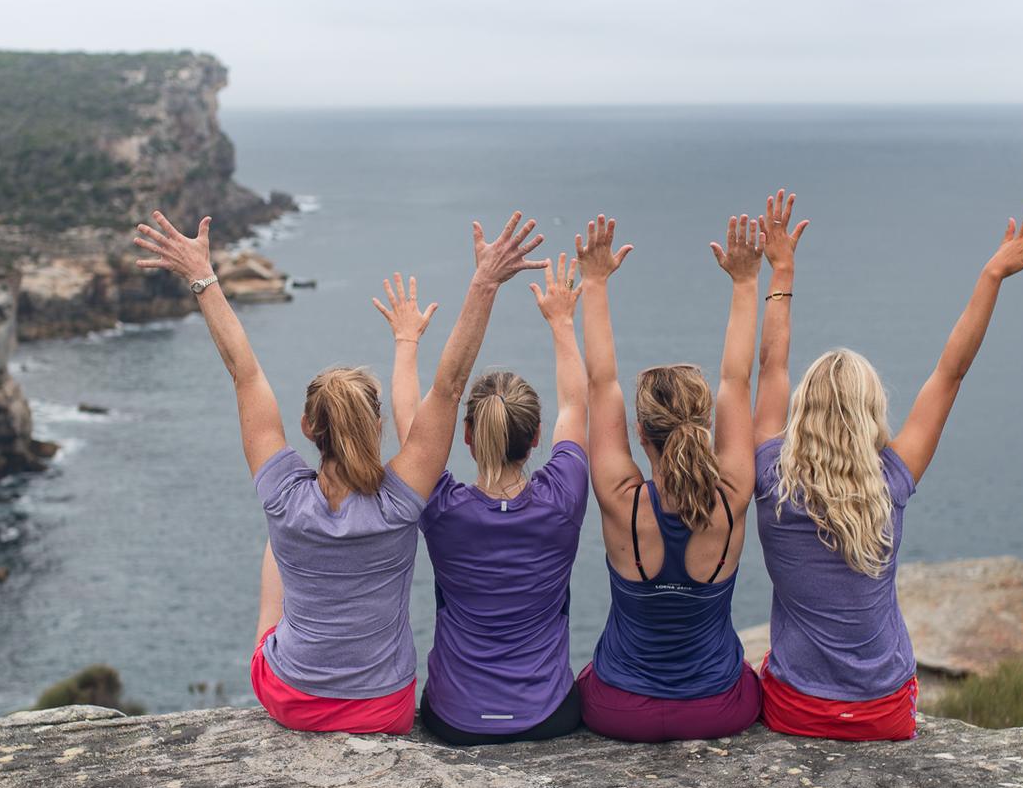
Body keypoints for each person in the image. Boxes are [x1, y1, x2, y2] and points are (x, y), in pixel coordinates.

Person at [133, 209, 546, 734]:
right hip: (382, 707)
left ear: (308, 427)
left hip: (290, 697)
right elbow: (449, 386)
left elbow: (245, 373)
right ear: (377, 428)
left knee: (274, 539)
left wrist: (202, 277)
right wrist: (485, 282)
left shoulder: (283, 495)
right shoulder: (401, 500)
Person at [753, 193, 1023, 740]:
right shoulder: (891, 479)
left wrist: (781, 270)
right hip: (883, 713)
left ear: (802, 411)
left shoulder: (771, 476)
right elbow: (951, 372)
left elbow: (771, 365)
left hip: (796, 710)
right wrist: (992, 275)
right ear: (871, 410)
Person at [376, 256, 591, 746]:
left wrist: (406, 341)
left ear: (467, 438)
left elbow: (413, 423)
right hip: (547, 714)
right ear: (537, 435)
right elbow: (577, 404)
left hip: (455, 718)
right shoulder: (564, 496)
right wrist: (561, 321)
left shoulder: (441, 507)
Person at [573, 212, 765, 742]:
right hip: (718, 708)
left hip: (620, 708)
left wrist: (594, 282)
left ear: (638, 432)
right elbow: (736, 378)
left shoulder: (620, 499)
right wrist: (747, 282)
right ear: (706, 424)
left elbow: (601, 382)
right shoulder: (733, 495)